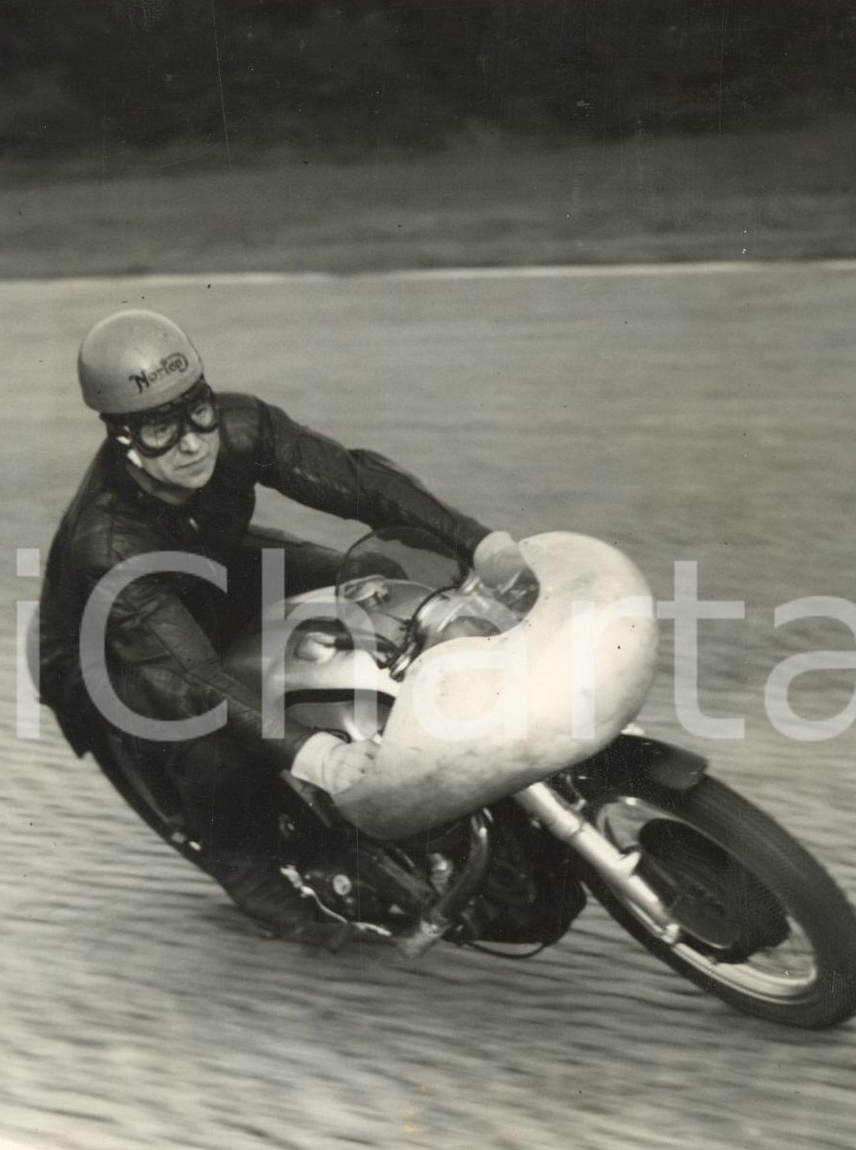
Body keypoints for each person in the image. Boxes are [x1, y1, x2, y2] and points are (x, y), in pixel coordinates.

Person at [38, 309, 531, 947]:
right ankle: (245, 866)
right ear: (122, 438)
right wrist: (317, 755)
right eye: (161, 428)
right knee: (207, 731)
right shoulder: (105, 541)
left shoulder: (241, 426)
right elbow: (192, 676)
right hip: (106, 647)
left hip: (208, 564)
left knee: (374, 583)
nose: (192, 444)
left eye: (197, 411)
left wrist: (478, 539)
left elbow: (359, 482)